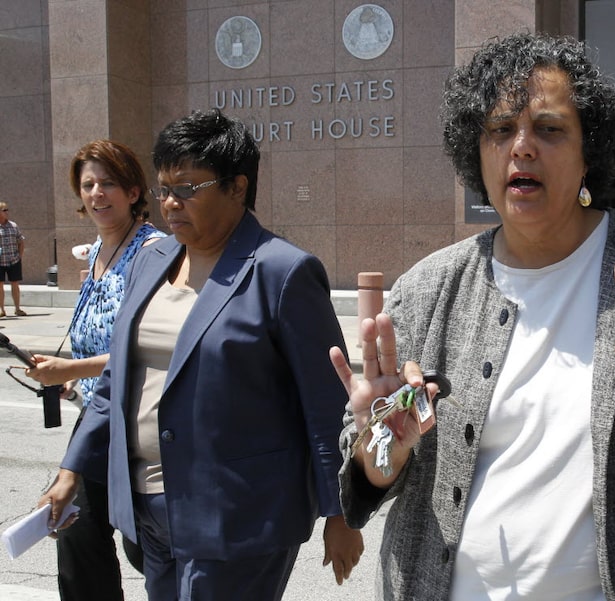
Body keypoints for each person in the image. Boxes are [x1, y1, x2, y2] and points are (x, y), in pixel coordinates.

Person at [329, 33, 615, 600]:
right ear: (476, 152)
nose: (521, 147)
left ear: (588, 153)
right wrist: (385, 444)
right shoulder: (428, 288)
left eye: (549, 129)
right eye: (500, 130)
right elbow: (366, 472)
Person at [39, 109, 363, 600]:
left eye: (188, 188)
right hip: (149, 512)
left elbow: (324, 406)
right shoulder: (150, 259)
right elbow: (115, 384)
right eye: (164, 187)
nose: (170, 202)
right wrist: (71, 471)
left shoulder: (283, 272)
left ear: (237, 187)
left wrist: (341, 513)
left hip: (236, 516)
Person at [24, 140, 166, 600]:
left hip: (141, 417)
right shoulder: (96, 255)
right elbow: (97, 339)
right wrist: (70, 381)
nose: (96, 193)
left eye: (108, 183)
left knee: (146, 542)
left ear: (132, 191)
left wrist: (74, 366)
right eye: (88, 185)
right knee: (77, 528)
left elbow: (151, 344)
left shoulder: (154, 251)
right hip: (97, 414)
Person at [0, 201, 26, 317]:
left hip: (13, 260)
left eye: (7, 210)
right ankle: (1, 310)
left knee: (15, 284)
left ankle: (17, 308)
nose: (7, 212)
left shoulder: (13, 226)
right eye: (4, 210)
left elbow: (21, 241)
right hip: (0, 261)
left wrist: (19, 256)